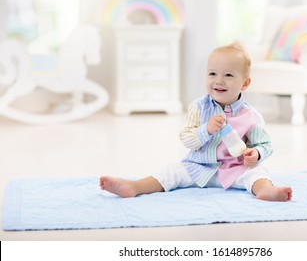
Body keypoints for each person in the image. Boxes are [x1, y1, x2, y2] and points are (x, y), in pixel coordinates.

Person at [100, 43, 292, 201]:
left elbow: (265, 144)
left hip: (234, 169)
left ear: (245, 83)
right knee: (171, 171)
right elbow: (186, 139)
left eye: (228, 75)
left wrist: (256, 153)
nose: (219, 81)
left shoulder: (250, 115)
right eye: (212, 74)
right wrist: (206, 130)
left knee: (258, 172)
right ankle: (134, 186)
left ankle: (265, 190)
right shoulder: (198, 108)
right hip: (198, 167)